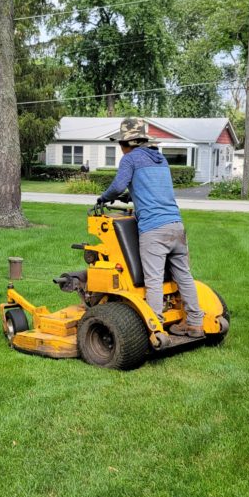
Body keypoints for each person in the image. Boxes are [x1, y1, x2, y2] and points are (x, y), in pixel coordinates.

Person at [96, 117, 205, 338]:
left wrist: (103, 198)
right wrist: (132, 195)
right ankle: (194, 322)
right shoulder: (160, 159)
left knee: (153, 279)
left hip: (154, 230)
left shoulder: (130, 159)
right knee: (184, 275)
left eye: (120, 144)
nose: (121, 149)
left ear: (127, 144)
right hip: (176, 226)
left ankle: (155, 327)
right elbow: (154, 189)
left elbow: (117, 186)